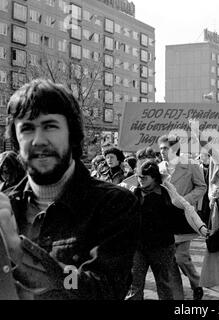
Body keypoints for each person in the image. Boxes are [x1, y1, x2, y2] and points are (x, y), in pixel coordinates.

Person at [0, 79, 140, 299]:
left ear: (73, 135)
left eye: (50, 126)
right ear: (16, 140)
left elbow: (103, 290)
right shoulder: (6, 205)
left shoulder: (113, 204)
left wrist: (21, 254)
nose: (38, 140)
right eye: (27, 128)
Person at [158, 134, 207, 300]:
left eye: (165, 148)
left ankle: (196, 283)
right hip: (164, 219)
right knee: (170, 259)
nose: (162, 152)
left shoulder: (191, 165)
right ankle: (177, 294)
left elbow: (202, 187)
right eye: (161, 149)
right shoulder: (158, 168)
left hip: (184, 216)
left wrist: (185, 200)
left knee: (181, 257)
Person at [126, 159, 182, 300]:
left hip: (162, 247)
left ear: (154, 178)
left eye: (144, 177)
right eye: (139, 177)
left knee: (164, 286)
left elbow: (179, 215)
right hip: (138, 247)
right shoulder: (134, 193)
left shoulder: (167, 194)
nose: (141, 180)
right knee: (134, 286)